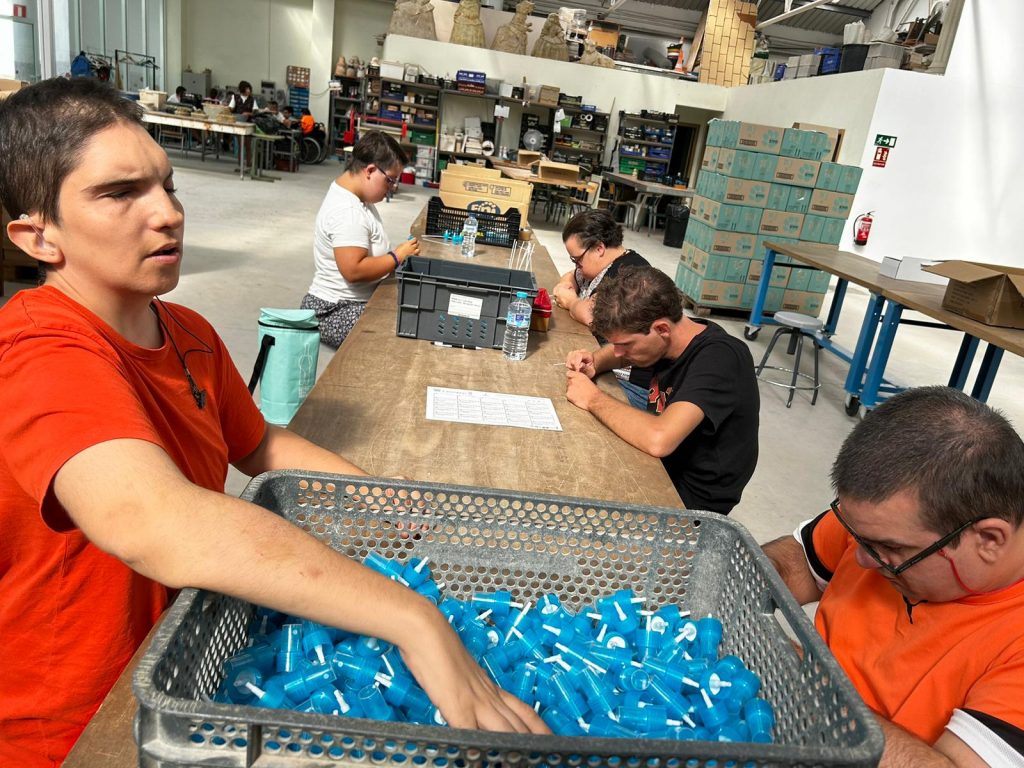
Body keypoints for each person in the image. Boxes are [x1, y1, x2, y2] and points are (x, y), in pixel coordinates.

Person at [0, 78, 545, 768]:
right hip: (81, 726)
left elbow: (259, 445)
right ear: (38, 236)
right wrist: (411, 617)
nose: (167, 213)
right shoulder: (38, 355)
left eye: (168, 185)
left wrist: (390, 501)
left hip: (186, 670)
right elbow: (151, 519)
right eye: (119, 193)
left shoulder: (188, 333)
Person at [762, 386, 1024, 766]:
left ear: (988, 539)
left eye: (889, 549)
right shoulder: (884, 526)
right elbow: (794, 561)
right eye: (856, 536)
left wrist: (792, 669)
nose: (862, 559)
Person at [564, 266, 758, 514]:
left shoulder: (720, 359)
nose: (619, 352)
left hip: (687, 501)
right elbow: (621, 352)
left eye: (625, 345)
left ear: (662, 329)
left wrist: (592, 398)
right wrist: (596, 362)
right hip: (661, 467)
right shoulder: (676, 336)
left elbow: (659, 440)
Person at [300, 131, 420, 348]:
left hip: (350, 303)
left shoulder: (356, 197)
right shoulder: (348, 211)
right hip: (335, 310)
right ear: (370, 170)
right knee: (405, 333)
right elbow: (353, 270)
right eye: (390, 180)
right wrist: (397, 256)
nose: (392, 188)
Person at [552, 209, 653, 409]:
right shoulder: (599, 267)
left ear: (599, 248)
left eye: (577, 259)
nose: (577, 266)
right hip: (605, 361)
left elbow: (592, 315)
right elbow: (570, 278)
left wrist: (571, 301)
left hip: (630, 380)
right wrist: (566, 288)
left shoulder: (629, 275)